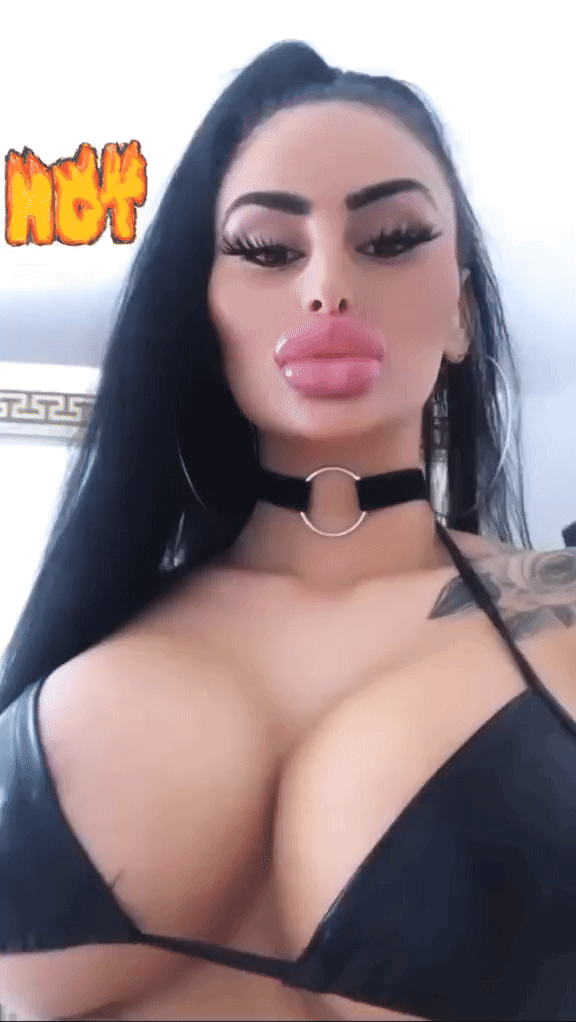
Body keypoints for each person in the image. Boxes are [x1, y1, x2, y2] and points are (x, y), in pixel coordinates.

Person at [2, 38, 576, 1022]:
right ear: (204, 306)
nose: (326, 287)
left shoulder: (557, 615)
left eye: (392, 237)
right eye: (267, 249)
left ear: (462, 313)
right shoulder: (104, 614)